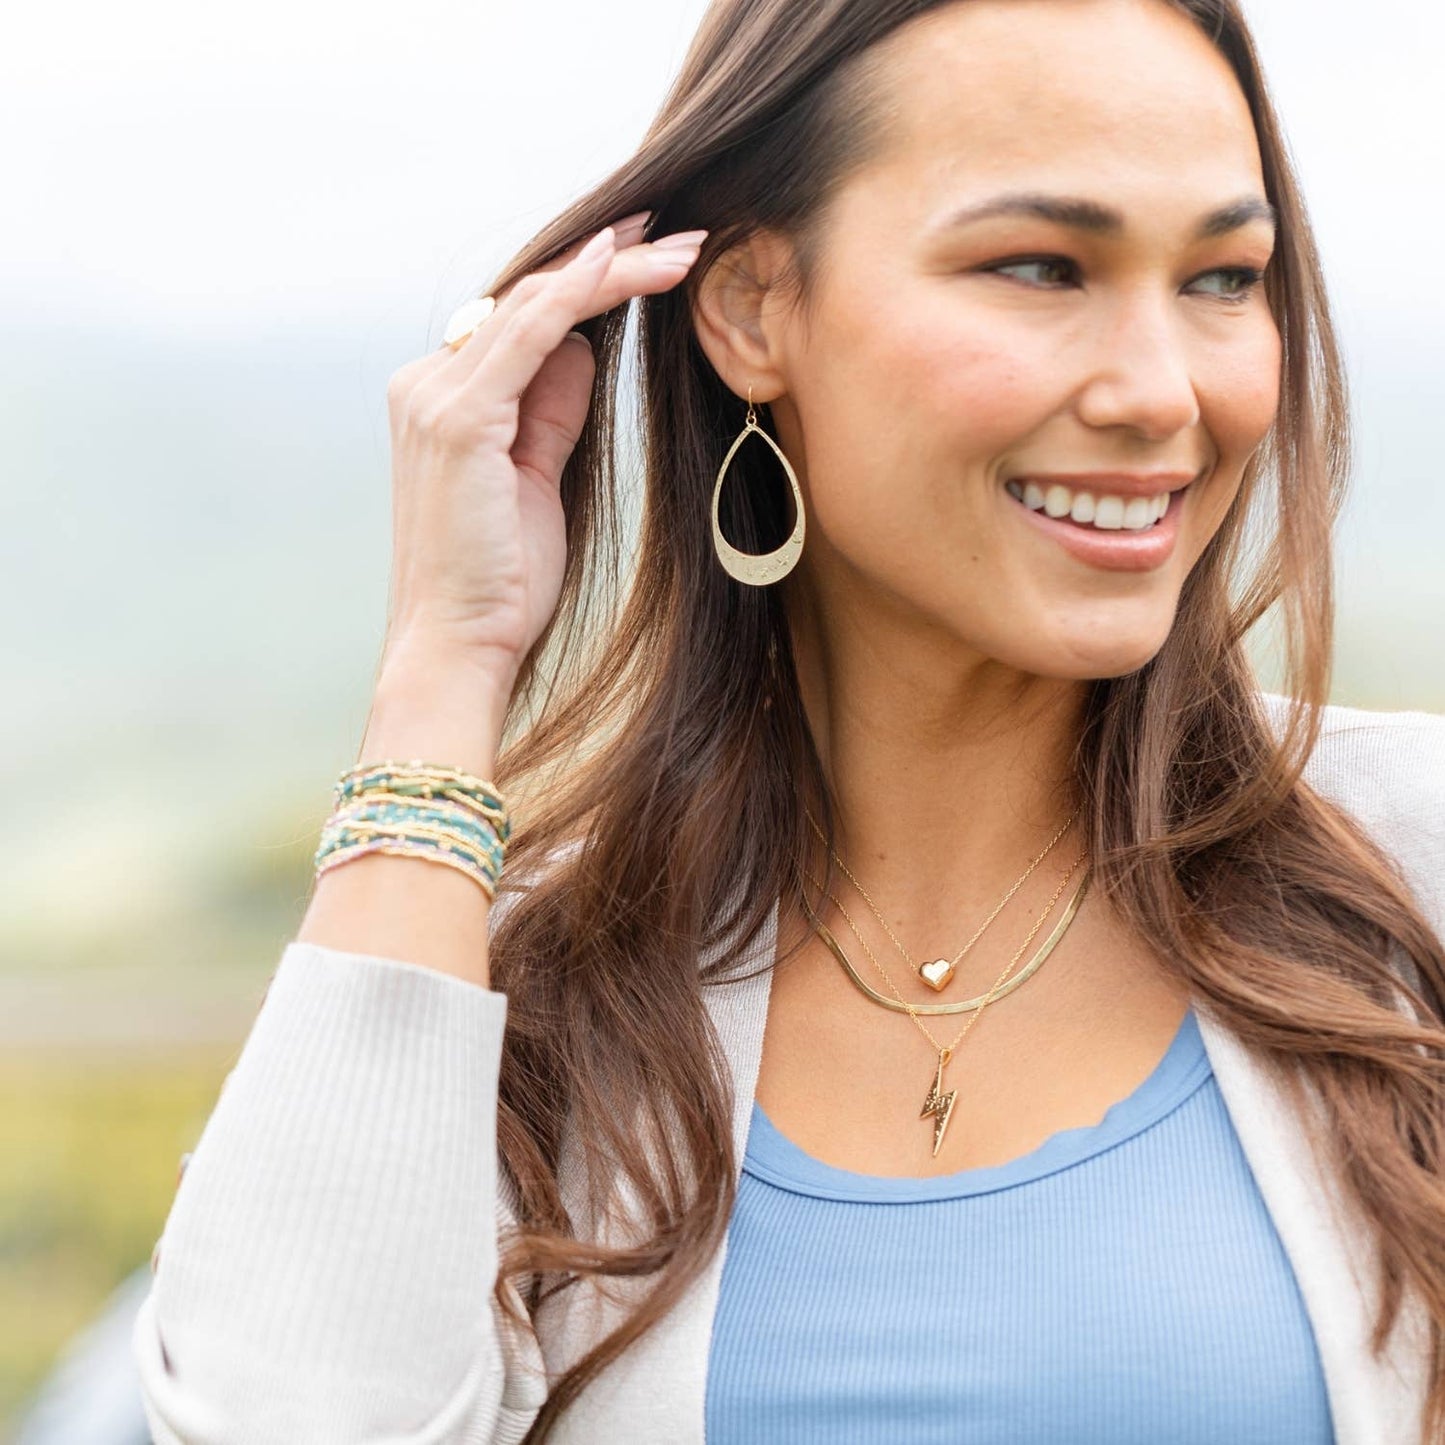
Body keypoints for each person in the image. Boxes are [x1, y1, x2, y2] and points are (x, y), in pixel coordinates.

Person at [131, 0, 1445, 1440]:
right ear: (755, 307)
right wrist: (445, 664)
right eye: (1037, 266)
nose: (1157, 389)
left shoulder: (1405, 879)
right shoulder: (536, 1003)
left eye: (1221, 276)